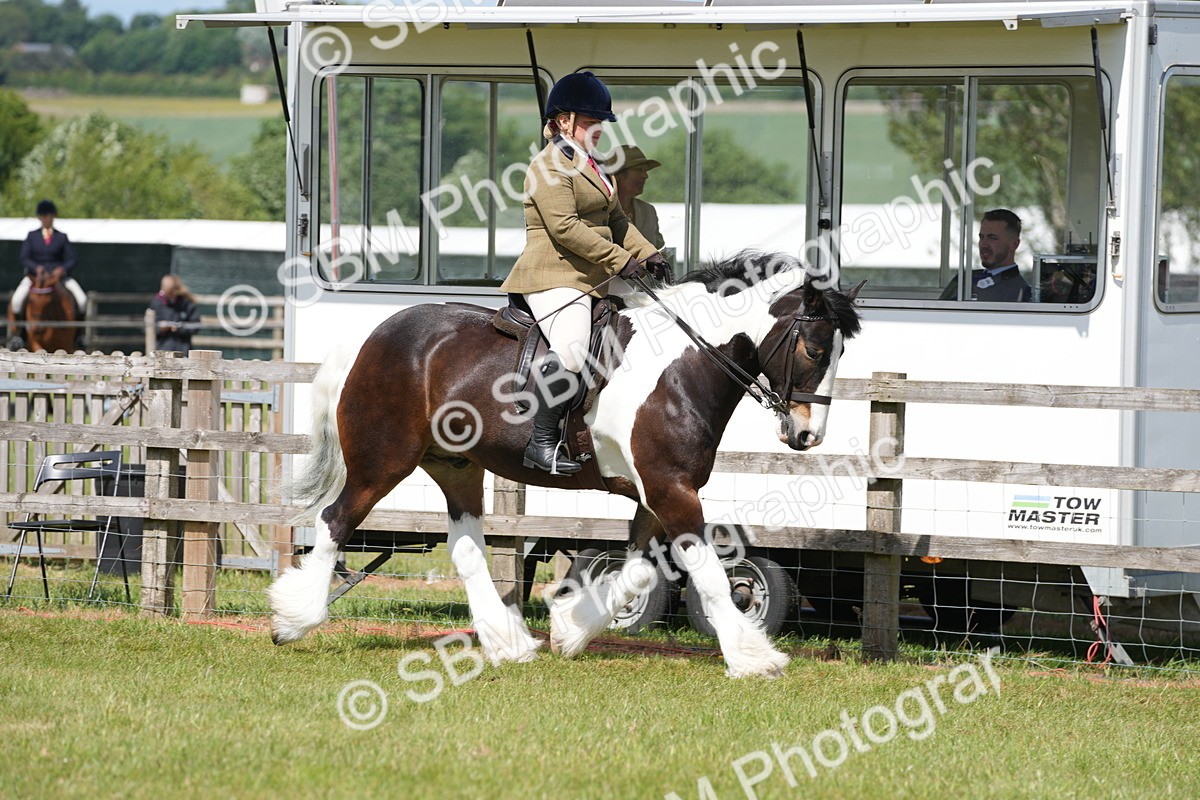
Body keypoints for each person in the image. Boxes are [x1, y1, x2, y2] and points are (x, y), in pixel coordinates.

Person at [499, 71, 667, 475]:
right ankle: (540, 443)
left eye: (599, 125)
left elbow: (618, 221)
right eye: (590, 124)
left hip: (592, 278)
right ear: (562, 121)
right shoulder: (547, 167)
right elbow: (564, 228)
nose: (597, 131)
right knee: (573, 349)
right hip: (552, 275)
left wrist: (648, 253)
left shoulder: (589, 165)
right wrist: (620, 260)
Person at [12, 200, 88, 348]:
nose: (46, 219)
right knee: (16, 300)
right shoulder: (32, 236)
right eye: (43, 216)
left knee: (82, 299)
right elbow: (25, 258)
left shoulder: (61, 237)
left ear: (53, 217)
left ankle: (79, 336)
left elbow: (72, 259)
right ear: (39, 218)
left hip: (59, 278)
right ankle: (19, 336)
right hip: (35, 278)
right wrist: (36, 268)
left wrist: (62, 269)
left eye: (49, 216)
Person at [604, 144, 670, 278]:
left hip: (646, 294)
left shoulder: (648, 211)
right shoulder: (599, 211)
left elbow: (661, 250)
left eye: (645, 170)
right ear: (617, 175)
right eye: (639, 170)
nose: (646, 176)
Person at [939, 209, 1031, 302]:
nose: (984, 244)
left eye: (993, 238)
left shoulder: (1020, 291)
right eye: (981, 237)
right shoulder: (965, 278)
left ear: (1014, 244)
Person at [149, 274, 201, 354]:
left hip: (183, 349)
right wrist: (160, 328)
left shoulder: (186, 304)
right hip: (162, 350)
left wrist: (180, 328)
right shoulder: (157, 303)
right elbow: (147, 327)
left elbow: (195, 325)